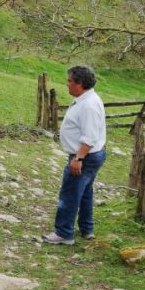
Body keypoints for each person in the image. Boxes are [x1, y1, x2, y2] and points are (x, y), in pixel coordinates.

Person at [43, 65, 107, 245]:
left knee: (70, 194)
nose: (67, 84)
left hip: (84, 156)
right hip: (91, 156)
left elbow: (89, 137)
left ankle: (64, 233)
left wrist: (78, 159)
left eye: (70, 81)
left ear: (80, 83)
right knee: (85, 191)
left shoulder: (88, 105)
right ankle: (87, 228)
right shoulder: (86, 98)